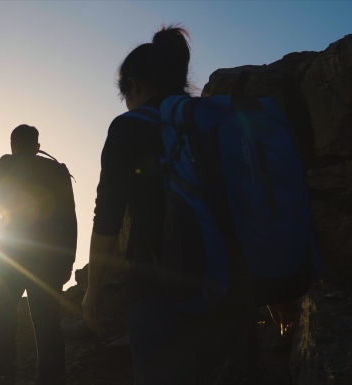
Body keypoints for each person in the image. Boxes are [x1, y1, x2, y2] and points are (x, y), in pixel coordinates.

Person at [80, 26, 249, 384]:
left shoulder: (127, 128)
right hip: (228, 288)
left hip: (156, 295)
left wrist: (93, 290)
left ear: (135, 85)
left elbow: (107, 216)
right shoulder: (211, 120)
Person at [0, 124, 77, 385]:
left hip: (10, 255)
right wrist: (68, 261)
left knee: (5, 315)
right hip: (48, 260)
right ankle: (52, 379)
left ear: (12, 146)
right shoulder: (57, 171)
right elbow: (70, 220)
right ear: (38, 147)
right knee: (48, 323)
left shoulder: (3, 168)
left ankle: (5, 374)